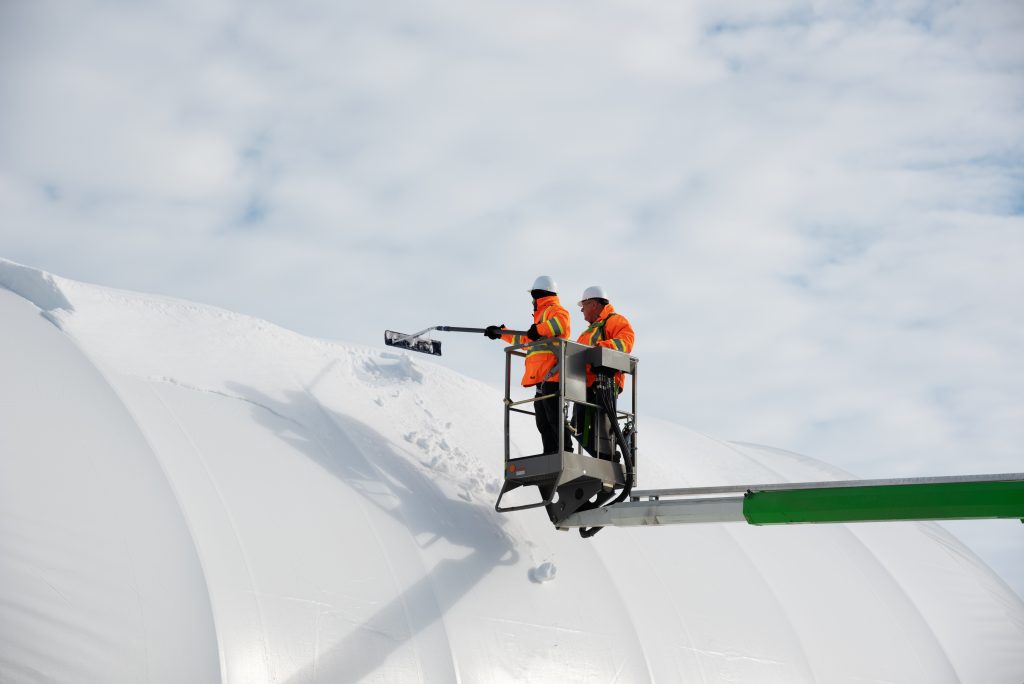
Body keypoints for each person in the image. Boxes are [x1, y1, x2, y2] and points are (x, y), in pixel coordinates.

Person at [484, 276, 572, 454]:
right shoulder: (539, 320)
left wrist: (538, 329)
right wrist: (501, 333)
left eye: (533, 298)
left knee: (554, 417)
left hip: (554, 376)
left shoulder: (555, 311)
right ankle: (550, 454)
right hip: (543, 380)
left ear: (538, 295)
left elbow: (561, 324)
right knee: (543, 420)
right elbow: (525, 340)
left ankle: (565, 453)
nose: (532, 302)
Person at [573, 285, 635, 459]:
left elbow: (626, 342)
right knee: (578, 427)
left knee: (603, 430)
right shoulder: (589, 330)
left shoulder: (614, 321)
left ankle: (609, 457)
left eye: (583, 306)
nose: (582, 311)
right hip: (585, 386)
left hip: (605, 383)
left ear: (593, 304)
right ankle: (608, 458)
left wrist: (600, 350)